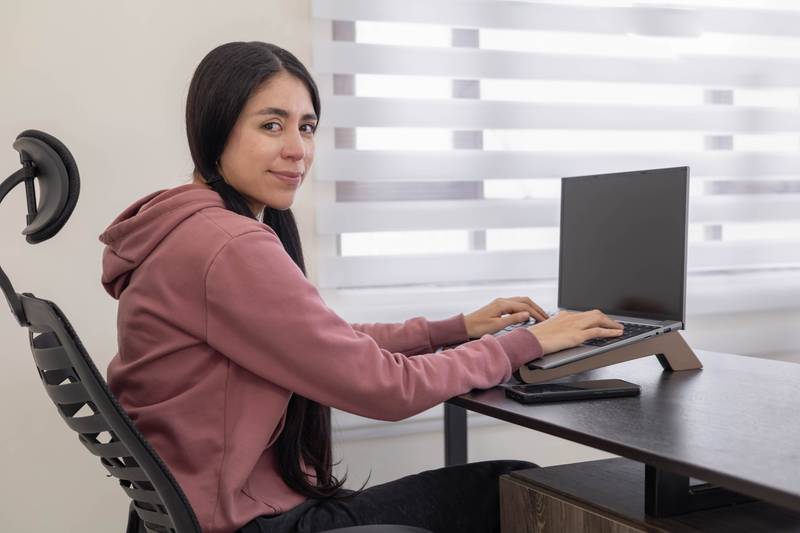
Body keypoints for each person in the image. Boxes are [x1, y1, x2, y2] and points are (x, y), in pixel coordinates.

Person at [99, 41, 624, 533]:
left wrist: (454, 329)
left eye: (307, 128)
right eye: (271, 125)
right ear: (215, 129)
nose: (296, 150)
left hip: (190, 515)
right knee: (516, 487)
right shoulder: (226, 244)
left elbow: (320, 341)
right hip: (248, 523)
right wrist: (527, 343)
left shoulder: (183, 229)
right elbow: (385, 389)